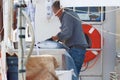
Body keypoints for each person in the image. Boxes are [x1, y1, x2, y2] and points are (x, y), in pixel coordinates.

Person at [51, 1, 88, 80]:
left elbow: (67, 33)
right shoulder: (70, 14)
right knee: (74, 75)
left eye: (55, 12)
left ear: (59, 9)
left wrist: (56, 37)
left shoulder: (67, 15)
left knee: (72, 76)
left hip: (75, 50)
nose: (55, 15)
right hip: (78, 49)